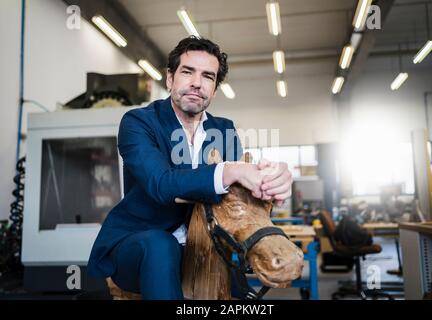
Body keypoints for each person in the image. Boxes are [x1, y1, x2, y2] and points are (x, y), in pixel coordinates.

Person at [87, 36, 293, 300]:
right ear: (170, 78)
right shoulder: (138, 122)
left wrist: (271, 181)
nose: (197, 82)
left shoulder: (224, 128)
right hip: (139, 246)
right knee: (161, 245)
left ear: (214, 89)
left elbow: (236, 195)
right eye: (187, 72)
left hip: (208, 247)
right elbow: (161, 184)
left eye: (208, 76)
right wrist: (230, 170)